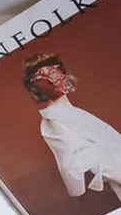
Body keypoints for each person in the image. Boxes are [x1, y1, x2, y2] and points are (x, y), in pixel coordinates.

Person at [22, 53, 121, 201]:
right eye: (41, 77)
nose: (52, 79)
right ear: (34, 87)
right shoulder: (53, 121)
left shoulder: (74, 113)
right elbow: (75, 186)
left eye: (54, 71)